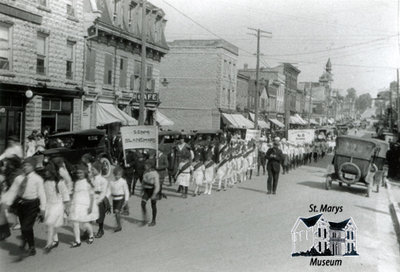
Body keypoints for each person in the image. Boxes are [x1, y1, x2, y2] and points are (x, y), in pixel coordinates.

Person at [3, 157, 46, 256]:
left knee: (27, 226)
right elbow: (13, 191)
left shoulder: (38, 179)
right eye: (24, 165)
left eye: (28, 165)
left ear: (33, 167)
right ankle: (25, 240)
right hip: (21, 204)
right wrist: (8, 203)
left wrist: (43, 209)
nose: (25, 167)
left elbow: (42, 194)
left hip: (32, 205)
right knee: (23, 225)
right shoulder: (19, 178)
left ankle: (32, 247)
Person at [69, 164, 98, 248]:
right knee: (75, 223)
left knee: (85, 224)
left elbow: (92, 196)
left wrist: (90, 207)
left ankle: (91, 235)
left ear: (85, 173)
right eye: (78, 173)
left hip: (85, 205)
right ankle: (77, 241)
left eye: (81, 173)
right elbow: (74, 194)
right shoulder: (76, 182)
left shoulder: (87, 183)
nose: (79, 175)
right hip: (76, 205)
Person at [43, 162, 70, 253]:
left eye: (47, 171)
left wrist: (66, 206)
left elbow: (65, 193)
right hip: (49, 205)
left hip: (57, 205)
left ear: (52, 171)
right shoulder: (45, 182)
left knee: (50, 223)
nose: (45, 173)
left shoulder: (59, 182)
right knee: (51, 224)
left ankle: (50, 242)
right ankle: (55, 240)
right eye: (45, 171)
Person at [0, 156, 23, 241]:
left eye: (9, 164)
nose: (6, 165)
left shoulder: (17, 172)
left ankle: (20, 225)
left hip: (16, 193)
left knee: (16, 210)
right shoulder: (9, 172)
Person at [108, 166, 129, 232]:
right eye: (116, 175)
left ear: (121, 175)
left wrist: (126, 200)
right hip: (114, 199)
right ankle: (119, 224)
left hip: (121, 198)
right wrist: (106, 197)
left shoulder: (123, 181)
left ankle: (119, 226)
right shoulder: (111, 182)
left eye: (119, 175)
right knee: (116, 213)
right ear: (114, 174)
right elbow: (108, 190)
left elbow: (126, 191)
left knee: (117, 211)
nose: (117, 176)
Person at [92, 162, 110, 238]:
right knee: (89, 215)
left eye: (93, 169)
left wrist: (100, 200)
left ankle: (101, 229)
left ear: (98, 170)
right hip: (92, 198)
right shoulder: (91, 179)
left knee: (100, 215)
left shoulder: (103, 180)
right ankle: (88, 231)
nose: (92, 171)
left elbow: (105, 191)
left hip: (100, 199)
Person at [141, 162, 160, 226]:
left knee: (153, 205)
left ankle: (153, 220)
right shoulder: (145, 172)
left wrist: (154, 194)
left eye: (146, 166)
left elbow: (157, 185)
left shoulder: (155, 174)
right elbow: (143, 181)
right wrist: (142, 189)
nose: (144, 167)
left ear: (150, 167)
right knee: (143, 204)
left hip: (153, 190)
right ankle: (145, 217)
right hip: (146, 190)